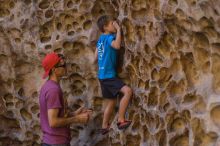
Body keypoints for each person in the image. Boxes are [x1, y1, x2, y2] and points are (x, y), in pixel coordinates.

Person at [39, 52, 92, 146]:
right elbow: (53, 122)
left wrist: (74, 113)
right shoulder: (53, 90)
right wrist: (76, 119)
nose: (66, 67)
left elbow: (57, 115)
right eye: (63, 65)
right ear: (54, 69)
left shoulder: (48, 86)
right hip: (56, 143)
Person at [94, 15, 133, 135]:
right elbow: (116, 46)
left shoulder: (100, 39)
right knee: (127, 92)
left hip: (102, 76)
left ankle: (104, 126)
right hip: (109, 76)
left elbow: (95, 57)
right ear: (105, 27)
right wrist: (119, 30)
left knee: (111, 101)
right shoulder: (109, 37)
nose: (114, 24)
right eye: (112, 23)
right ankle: (121, 120)